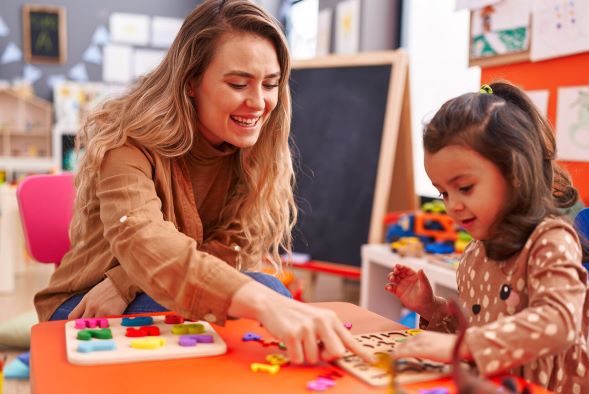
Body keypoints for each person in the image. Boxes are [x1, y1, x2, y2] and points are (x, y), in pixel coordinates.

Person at [34, 0, 371, 365]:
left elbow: (227, 247)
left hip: (145, 289)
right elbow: (144, 240)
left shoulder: (251, 152)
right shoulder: (127, 143)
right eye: (238, 83)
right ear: (191, 82)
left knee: (261, 299)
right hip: (83, 304)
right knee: (264, 292)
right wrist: (265, 303)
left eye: (271, 84)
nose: (258, 102)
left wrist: (125, 280)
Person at [385, 82, 589, 393]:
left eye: (464, 188)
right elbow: (479, 332)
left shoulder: (550, 239)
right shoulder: (477, 250)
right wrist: (431, 308)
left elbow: (559, 322)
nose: (453, 205)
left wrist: (462, 347)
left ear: (514, 174)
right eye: (443, 193)